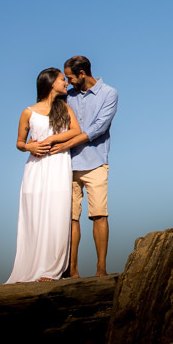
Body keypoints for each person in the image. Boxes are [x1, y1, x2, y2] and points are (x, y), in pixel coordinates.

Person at [6, 68, 84, 283]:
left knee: (57, 215)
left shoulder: (64, 108)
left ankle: (52, 269)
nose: (65, 83)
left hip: (58, 165)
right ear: (50, 83)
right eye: (61, 80)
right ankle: (29, 266)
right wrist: (30, 147)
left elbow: (76, 131)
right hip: (36, 168)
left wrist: (52, 139)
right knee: (34, 215)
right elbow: (19, 143)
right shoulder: (28, 112)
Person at [49, 55, 118, 278]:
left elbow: (99, 127)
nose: (67, 82)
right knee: (70, 218)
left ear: (82, 74)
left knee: (99, 214)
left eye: (69, 77)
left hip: (96, 162)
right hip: (67, 164)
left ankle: (100, 269)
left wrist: (66, 143)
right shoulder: (66, 97)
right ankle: (73, 271)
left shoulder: (109, 93)